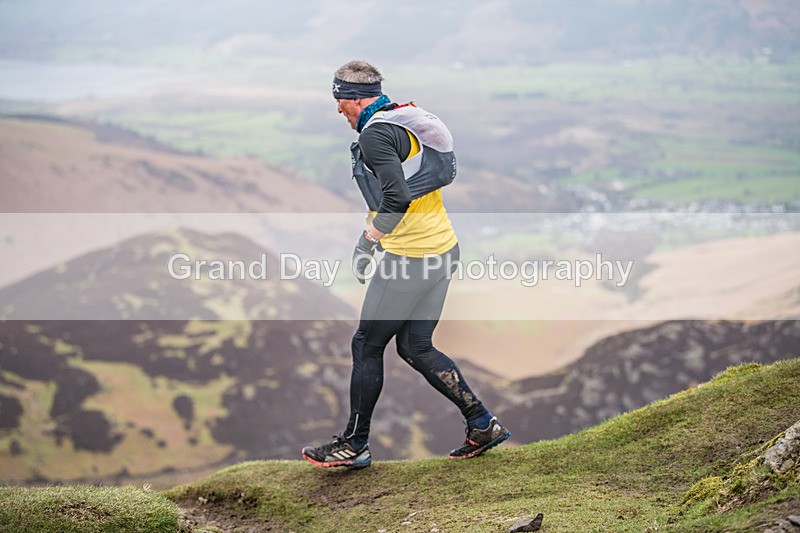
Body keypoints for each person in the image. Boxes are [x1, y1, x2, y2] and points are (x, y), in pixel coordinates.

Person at [301, 60, 509, 470]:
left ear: (351, 99)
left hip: (411, 258)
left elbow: (395, 198)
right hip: (442, 248)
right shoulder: (401, 121)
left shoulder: (377, 135)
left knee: (366, 345)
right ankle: (482, 424)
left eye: (338, 102)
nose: (338, 111)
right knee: (415, 346)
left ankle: (355, 444)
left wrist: (367, 241)